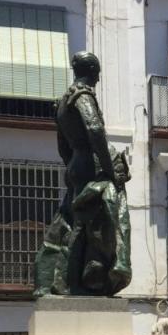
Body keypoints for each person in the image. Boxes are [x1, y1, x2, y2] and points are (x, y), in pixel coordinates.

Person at [34, 51, 132, 297]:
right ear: (92, 73)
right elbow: (95, 129)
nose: (97, 80)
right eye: (97, 75)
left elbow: (61, 145)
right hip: (90, 164)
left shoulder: (62, 103)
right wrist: (108, 168)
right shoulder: (82, 95)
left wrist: (72, 165)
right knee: (95, 221)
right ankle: (74, 282)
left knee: (73, 222)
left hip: (76, 164)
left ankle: (64, 280)